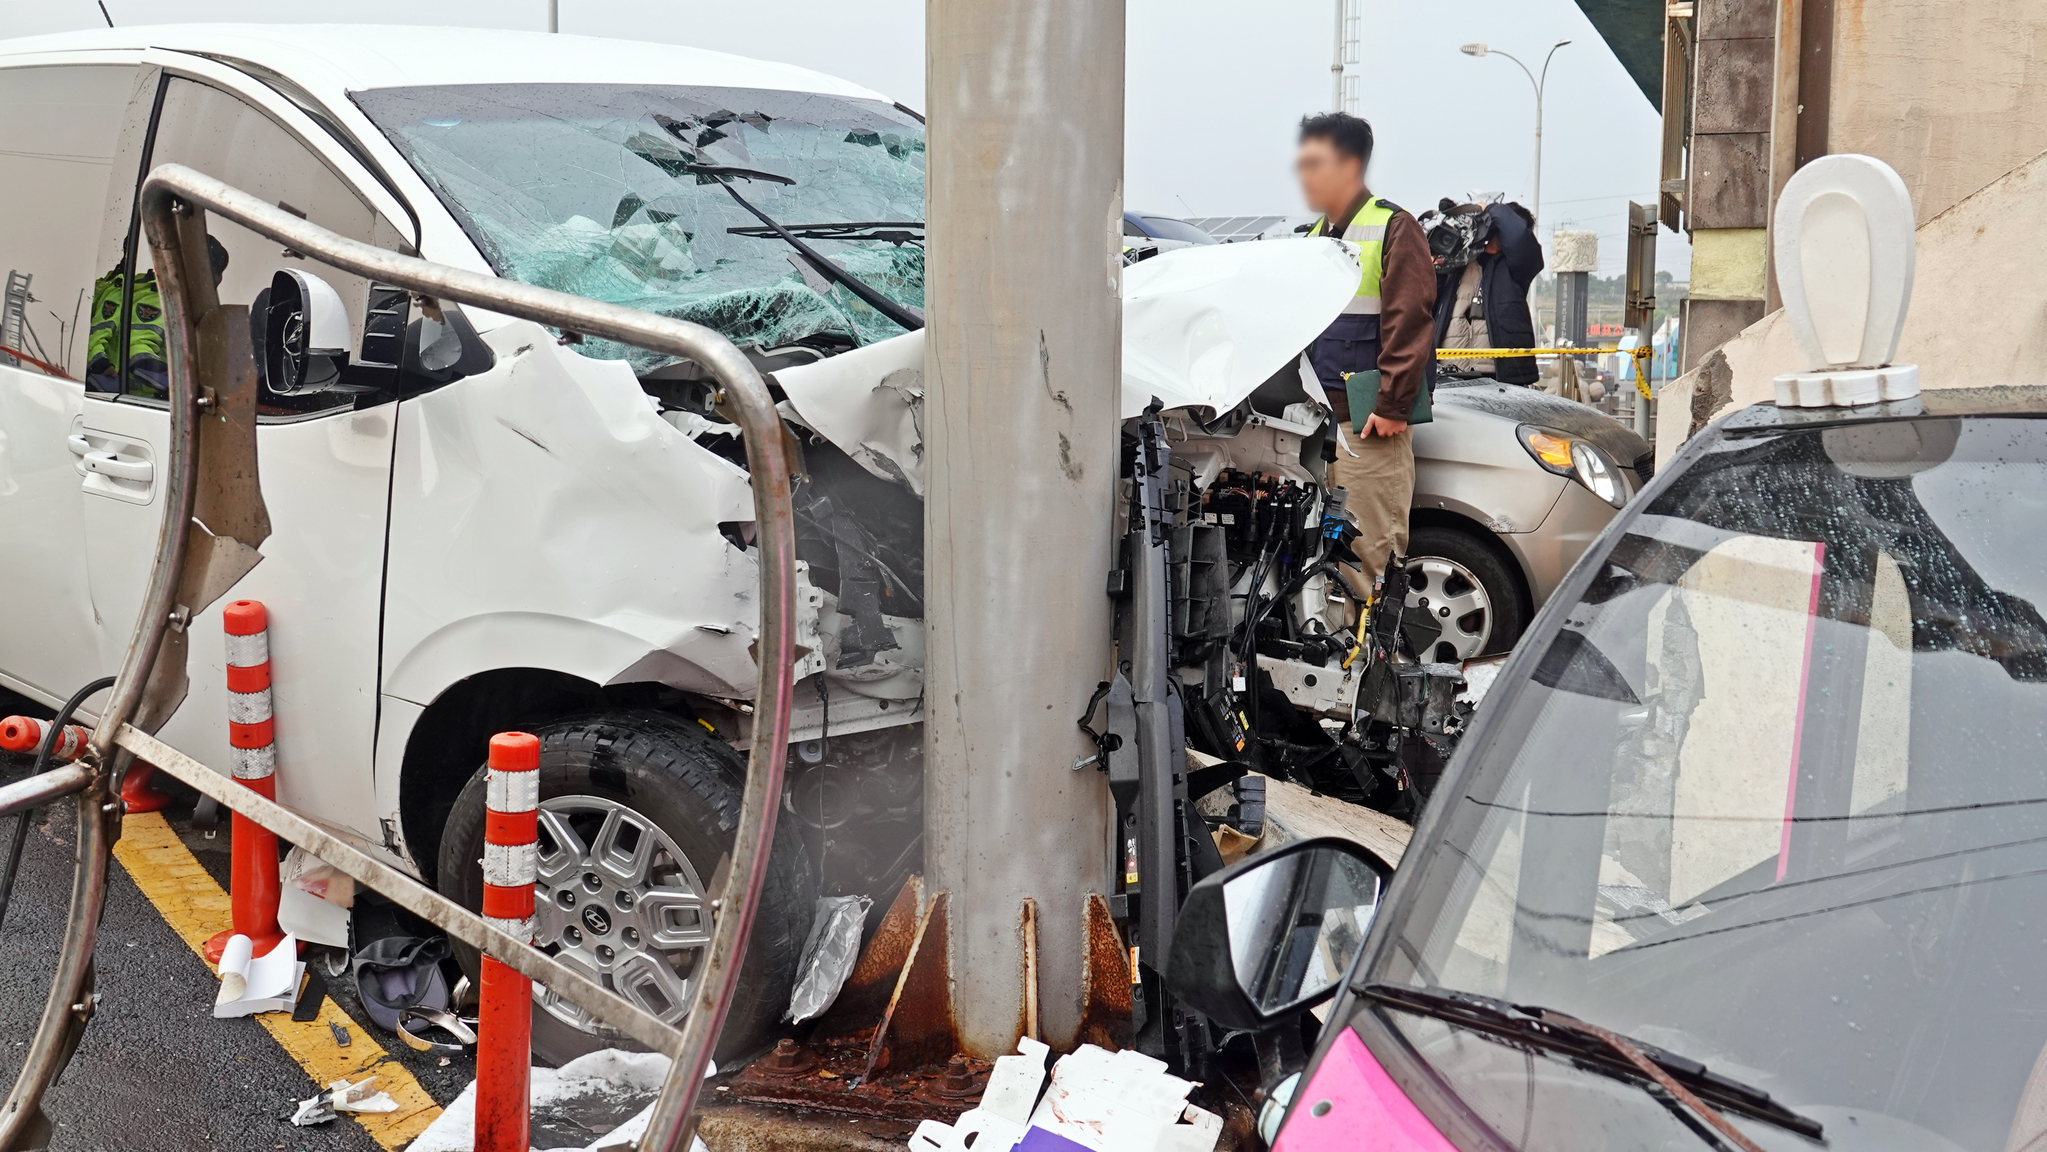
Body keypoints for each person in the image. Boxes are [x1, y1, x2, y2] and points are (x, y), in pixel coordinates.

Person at [1295, 112, 1436, 593]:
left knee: (1370, 556)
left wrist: (1394, 405)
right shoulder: (1314, 237)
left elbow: (1410, 323)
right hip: (1319, 427)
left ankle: (1377, 664)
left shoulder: (1394, 227)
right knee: (1322, 563)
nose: (1304, 173)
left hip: (1368, 425)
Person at [1426, 198, 1543, 385]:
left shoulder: (1515, 269)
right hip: (1448, 373)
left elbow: (1518, 237)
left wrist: (1490, 209)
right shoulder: (1457, 262)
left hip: (1498, 375)